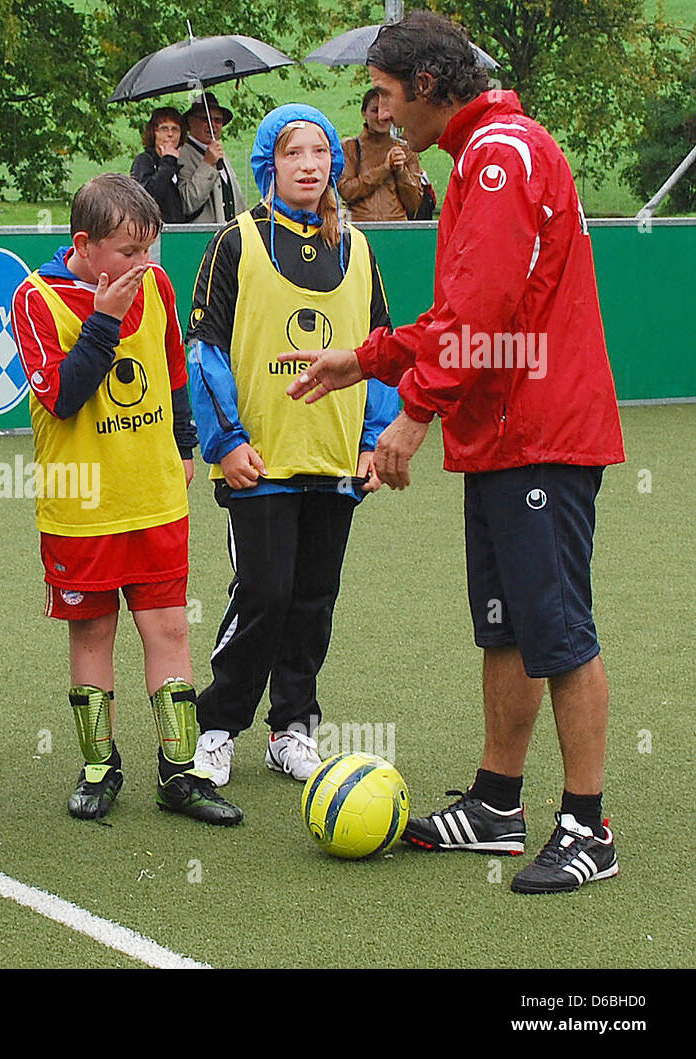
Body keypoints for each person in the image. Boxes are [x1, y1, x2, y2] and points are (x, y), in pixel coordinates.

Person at [283, 12, 625, 895]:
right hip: (508, 434)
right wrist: (364, 357)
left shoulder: (501, 154)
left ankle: (589, 826)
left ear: (429, 90)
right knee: (508, 626)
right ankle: (497, 803)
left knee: (560, 631)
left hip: (540, 433)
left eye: (390, 98)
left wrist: (412, 416)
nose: (385, 117)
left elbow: (485, 315)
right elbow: (454, 315)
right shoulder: (483, 152)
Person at [11, 173, 242, 825]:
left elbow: (173, 371)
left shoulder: (159, 287)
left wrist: (186, 444)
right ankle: (98, 766)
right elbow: (62, 394)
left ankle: (180, 771)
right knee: (93, 635)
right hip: (80, 508)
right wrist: (105, 319)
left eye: (149, 250)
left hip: (154, 497)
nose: (142, 265)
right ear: (84, 244)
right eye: (127, 252)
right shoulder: (35, 299)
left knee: (169, 628)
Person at [185, 104, 398, 788]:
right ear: (268, 165)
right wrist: (227, 441)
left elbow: (381, 354)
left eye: (318, 152)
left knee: (313, 599)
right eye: (292, 153)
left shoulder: (358, 248)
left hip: (337, 461)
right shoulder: (235, 242)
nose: (308, 164)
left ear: (333, 164)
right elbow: (205, 350)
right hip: (260, 462)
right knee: (265, 594)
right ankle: (216, 726)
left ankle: (293, 730)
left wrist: (372, 442)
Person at [338, 88, 425, 222]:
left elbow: (414, 203)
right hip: (360, 227)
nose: (380, 117)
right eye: (374, 110)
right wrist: (384, 169)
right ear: (364, 113)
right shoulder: (350, 147)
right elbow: (347, 192)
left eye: (385, 110)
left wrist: (401, 171)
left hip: (396, 227)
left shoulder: (405, 149)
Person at [178, 93, 246, 224]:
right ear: (191, 121)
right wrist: (207, 165)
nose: (213, 125)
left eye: (218, 120)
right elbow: (187, 203)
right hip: (201, 238)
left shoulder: (221, 154)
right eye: (205, 119)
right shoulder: (182, 155)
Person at [131, 107, 187, 223]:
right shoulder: (144, 161)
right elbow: (146, 197)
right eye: (164, 129)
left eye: (175, 129)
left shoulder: (179, 163)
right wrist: (168, 162)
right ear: (153, 132)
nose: (170, 134)